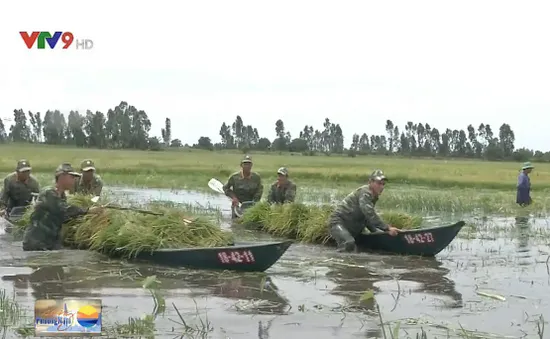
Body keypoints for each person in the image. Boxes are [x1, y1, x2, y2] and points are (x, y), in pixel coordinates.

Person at [22, 163, 98, 251]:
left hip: (51, 242)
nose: (74, 180)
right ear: (62, 177)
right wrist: (88, 211)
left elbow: (64, 217)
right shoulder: (48, 193)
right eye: (72, 177)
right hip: (36, 242)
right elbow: (64, 210)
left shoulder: (62, 196)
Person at [328, 170, 400, 252]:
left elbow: (366, 217)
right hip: (338, 223)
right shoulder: (365, 193)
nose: (382, 187)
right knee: (349, 243)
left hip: (353, 226)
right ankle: (333, 260)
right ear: (370, 182)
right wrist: (387, 228)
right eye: (379, 183)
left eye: (383, 184)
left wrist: (379, 233)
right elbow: (369, 213)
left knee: (362, 245)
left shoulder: (374, 196)